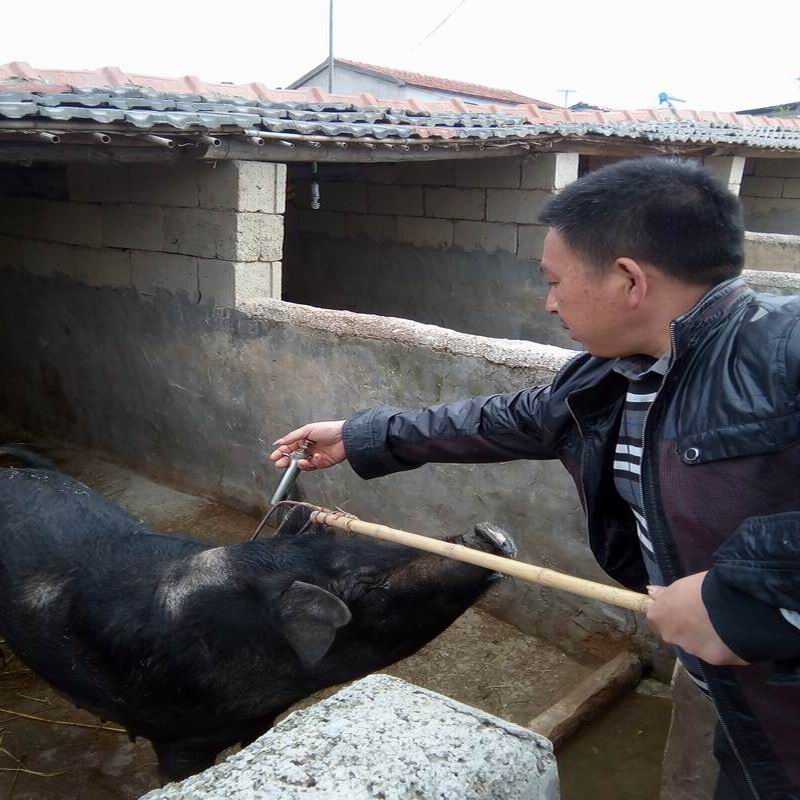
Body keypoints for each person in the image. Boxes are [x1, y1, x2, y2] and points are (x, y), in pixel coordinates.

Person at [271, 157, 800, 799]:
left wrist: (739, 590)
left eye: (554, 281)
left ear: (629, 280)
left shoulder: (784, 349)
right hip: (731, 687)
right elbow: (514, 416)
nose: (549, 303)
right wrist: (361, 435)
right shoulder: (616, 373)